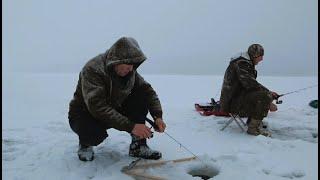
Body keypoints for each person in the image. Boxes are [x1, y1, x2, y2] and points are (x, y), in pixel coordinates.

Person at [68, 37, 166, 161]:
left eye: (132, 66)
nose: (130, 70)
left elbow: (148, 92)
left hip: (113, 107)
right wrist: (131, 126)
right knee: (93, 133)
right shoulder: (93, 69)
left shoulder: (130, 72)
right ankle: (85, 144)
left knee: (141, 97)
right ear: (116, 61)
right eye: (127, 66)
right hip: (85, 113)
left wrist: (158, 116)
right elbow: (97, 106)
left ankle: (138, 146)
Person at [219, 44, 279, 137]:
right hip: (232, 103)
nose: (262, 59)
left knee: (264, 95)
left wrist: (269, 95)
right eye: (260, 56)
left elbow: (249, 85)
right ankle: (253, 129)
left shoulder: (244, 63)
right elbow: (250, 84)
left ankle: (252, 122)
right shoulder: (241, 64)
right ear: (254, 55)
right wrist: (268, 96)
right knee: (264, 96)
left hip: (237, 99)